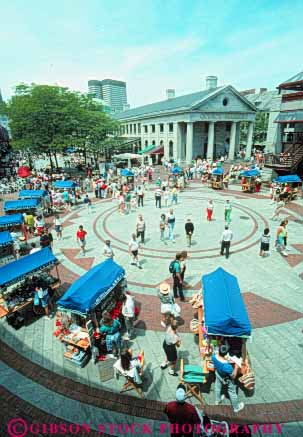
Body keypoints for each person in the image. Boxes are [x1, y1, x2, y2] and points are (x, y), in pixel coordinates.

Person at [212, 344, 244, 413]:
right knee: (232, 392)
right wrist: (236, 367)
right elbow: (233, 376)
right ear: (226, 355)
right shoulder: (227, 367)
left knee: (217, 386)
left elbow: (217, 363)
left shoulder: (213, 356)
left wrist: (227, 360)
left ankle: (217, 400)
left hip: (218, 374)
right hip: (226, 378)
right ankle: (236, 408)